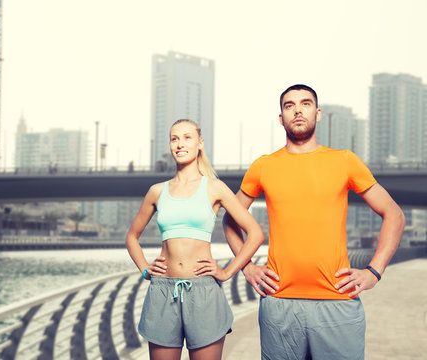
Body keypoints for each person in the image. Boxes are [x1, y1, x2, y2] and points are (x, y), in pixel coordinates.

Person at [223, 84, 406, 360]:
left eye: (305, 103)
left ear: (317, 114)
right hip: (279, 305)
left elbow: (395, 214)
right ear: (281, 118)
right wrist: (247, 268)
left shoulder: (345, 161)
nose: (298, 110)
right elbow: (230, 219)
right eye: (289, 105)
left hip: (337, 305)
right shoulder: (263, 166)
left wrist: (374, 272)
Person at [126, 119, 264, 360]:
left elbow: (256, 233)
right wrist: (146, 269)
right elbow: (132, 237)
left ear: (200, 144)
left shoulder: (215, 188)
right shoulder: (157, 191)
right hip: (162, 292)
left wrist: (227, 272)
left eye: (187, 137)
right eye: (174, 138)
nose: (180, 144)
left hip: (204, 293)